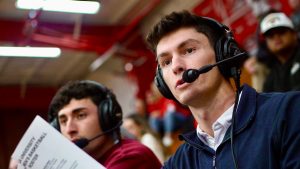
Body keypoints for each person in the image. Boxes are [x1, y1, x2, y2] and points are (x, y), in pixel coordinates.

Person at [146, 10, 300, 169]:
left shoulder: (289, 112)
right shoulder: (177, 164)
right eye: (166, 62)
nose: (176, 66)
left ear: (223, 55)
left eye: (189, 50)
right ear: (161, 83)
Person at [46, 80, 162, 169]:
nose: (69, 129)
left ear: (106, 117)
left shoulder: (130, 157)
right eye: (63, 121)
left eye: (80, 115)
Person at [259, 12, 300, 92]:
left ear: (294, 34)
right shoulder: (270, 79)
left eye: (281, 31)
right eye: (270, 35)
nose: (276, 37)